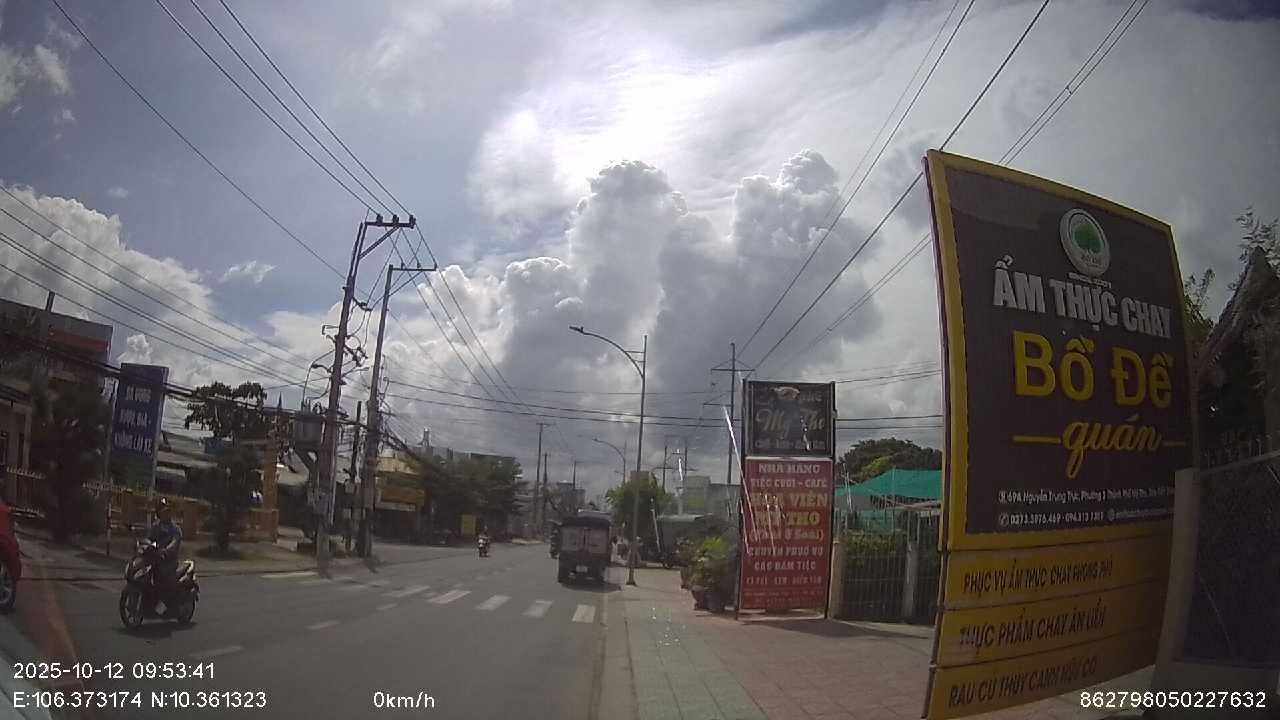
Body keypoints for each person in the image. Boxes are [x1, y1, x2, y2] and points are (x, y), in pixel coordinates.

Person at [148, 498, 182, 599]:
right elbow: (150, 540)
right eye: (164, 511)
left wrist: (166, 550)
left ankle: (169, 602)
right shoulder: (156, 526)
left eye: (168, 511)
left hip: (169, 561)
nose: (166, 514)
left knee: (166, 584)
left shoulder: (175, 529)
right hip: (155, 559)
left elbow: (174, 542)